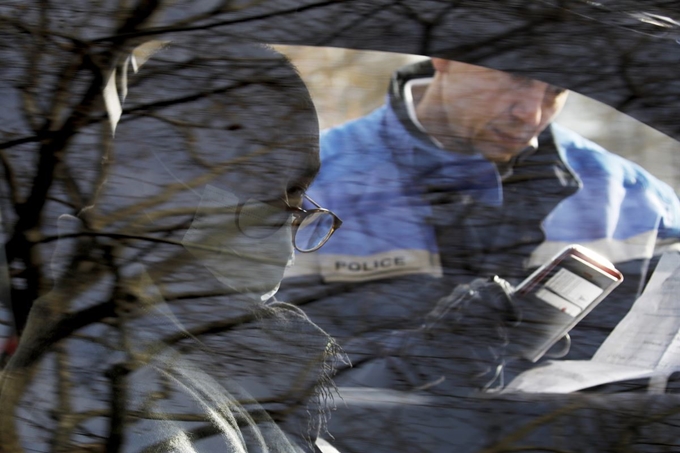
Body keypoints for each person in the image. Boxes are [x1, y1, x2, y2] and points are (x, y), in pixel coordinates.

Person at [0, 42, 342, 453]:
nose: (292, 219)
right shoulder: (111, 391)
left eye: (299, 196)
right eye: (282, 189)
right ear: (170, 186)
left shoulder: (206, 349)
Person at [280, 57, 680, 388]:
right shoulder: (312, 185)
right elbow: (264, 378)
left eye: (557, 90)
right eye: (518, 77)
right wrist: (414, 363)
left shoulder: (639, 204)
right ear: (445, 57)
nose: (533, 113)